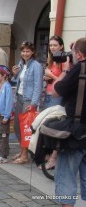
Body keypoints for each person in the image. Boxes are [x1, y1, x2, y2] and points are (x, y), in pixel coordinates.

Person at [52, 37, 86, 207]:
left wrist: (66, 70)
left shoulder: (79, 69)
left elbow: (56, 92)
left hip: (76, 132)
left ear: (79, 54)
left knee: (66, 177)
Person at [11, 41, 43, 164]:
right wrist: (14, 74)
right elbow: (16, 81)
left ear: (32, 52)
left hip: (28, 99)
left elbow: (38, 86)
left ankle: (25, 155)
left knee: (25, 127)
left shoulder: (36, 66)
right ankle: (21, 150)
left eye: (28, 51)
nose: (25, 53)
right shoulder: (21, 64)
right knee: (17, 125)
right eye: (23, 51)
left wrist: (34, 103)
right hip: (19, 96)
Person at [41, 35, 65, 170]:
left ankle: (53, 157)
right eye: (51, 45)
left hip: (57, 97)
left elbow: (63, 82)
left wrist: (51, 75)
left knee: (54, 125)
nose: (52, 48)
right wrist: (46, 77)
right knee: (46, 124)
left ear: (61, 46)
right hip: (48, 94)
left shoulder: (64, 62)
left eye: (55, 45)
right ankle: (48, 153)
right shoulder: (51, 61)